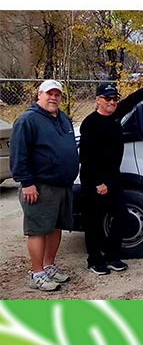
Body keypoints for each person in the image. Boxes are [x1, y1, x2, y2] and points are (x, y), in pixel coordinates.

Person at [79, 81, 143, 275]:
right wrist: (98, 183)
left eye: (114, 98)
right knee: (94, 223)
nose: (112, 102)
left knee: (122, 217)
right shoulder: (90, 123)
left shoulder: (116, 115)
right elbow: (87, 157)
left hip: (113, 179)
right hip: (95, 182)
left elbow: (132, 101)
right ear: (98, 100)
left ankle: (111, 256)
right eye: (107, 98)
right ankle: (94, 260)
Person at [9, 80, 79, 291]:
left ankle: (49, 266)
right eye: (49, 94)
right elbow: (18, 154)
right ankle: (37, 273)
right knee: (38, 230)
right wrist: (27, 182)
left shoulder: (62, 118)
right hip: (39, 186)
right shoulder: (27, 120)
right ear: (39, 94)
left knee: (55, 227)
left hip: (62, 185)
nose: (54, 98)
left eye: (57, 94)